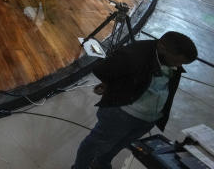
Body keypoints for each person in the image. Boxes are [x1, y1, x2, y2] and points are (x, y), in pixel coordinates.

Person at [72, 32, 198, 169]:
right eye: (177, 61)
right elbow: (103, 69)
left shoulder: (171, 61)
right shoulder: (134, 54)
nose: (179, 65)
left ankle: (101, 163)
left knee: (120, 144)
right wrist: (111, 85)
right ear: (162, 47)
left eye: (183, 63)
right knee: (96, 144)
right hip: (121, 113)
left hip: (149, 118)